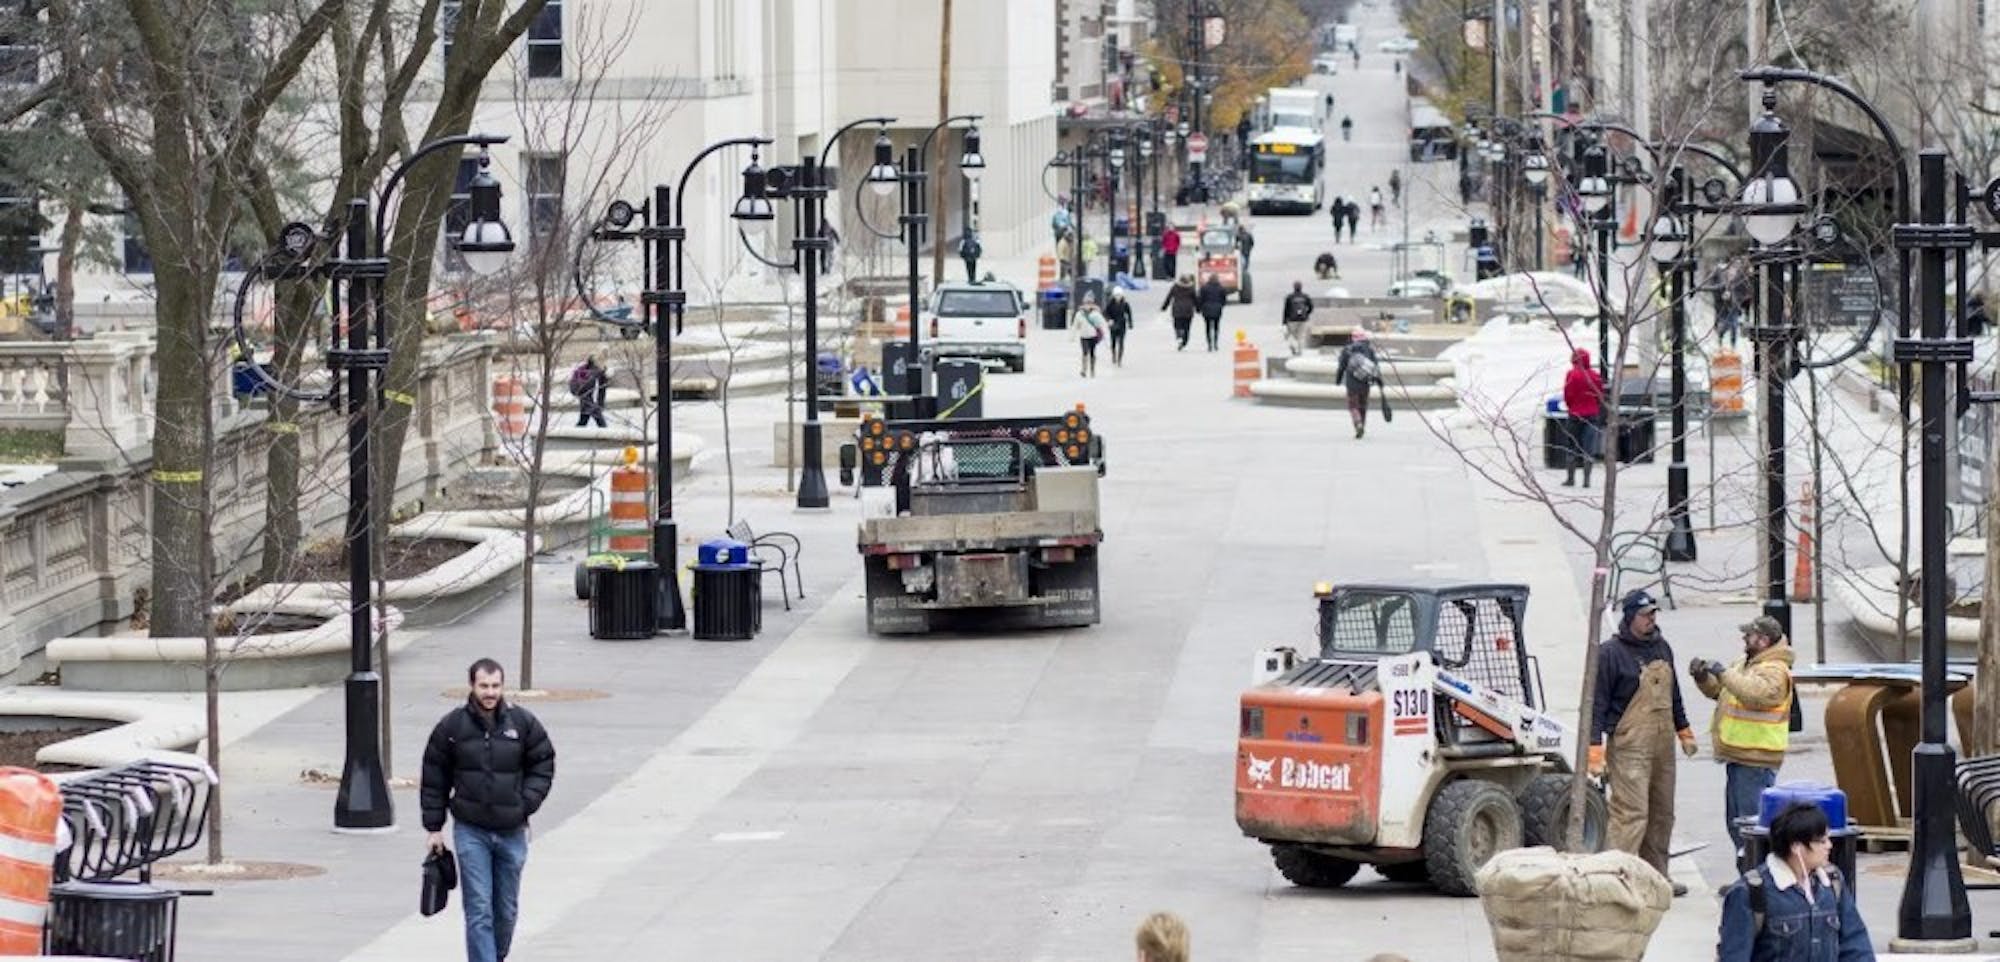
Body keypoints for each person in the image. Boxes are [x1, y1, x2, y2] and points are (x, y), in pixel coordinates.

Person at [422, 658, 557, 962]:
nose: (490, 692)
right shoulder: (451, 727)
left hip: (512, 830)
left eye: (495, 686)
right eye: (484, 685)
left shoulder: (523, 724)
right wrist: (434, 827)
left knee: (505, 911)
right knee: (479, 909)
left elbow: (543, 763)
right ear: (472, 685)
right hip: (472, 831)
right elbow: (434, 777)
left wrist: (526, 802)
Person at [1590, 590, 1696, 896]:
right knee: (1631, 813)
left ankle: (1656, 878)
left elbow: (1674, 695)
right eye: (1646, 615)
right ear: (1630, 617)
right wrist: (1594, 747)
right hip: (1629, 746)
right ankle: (1616, 879)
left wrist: (1684, 729)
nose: (1652, 619)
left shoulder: (1662, 647)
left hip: (1662, 746)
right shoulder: (1611, 654)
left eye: (1654, 614)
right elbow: (1596, 703)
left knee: (1662, 813)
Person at [1691, 615, 1796, 854]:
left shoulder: (1775, 670)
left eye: (1749, 635)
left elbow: (1756, 694)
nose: (1744, 638)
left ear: (1763, 640)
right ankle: (1747, 877)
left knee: (1752, 824)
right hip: (1739, 755)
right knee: (1737, 823)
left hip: (1757, 758)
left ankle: (1756, 880)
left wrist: (1724, 673)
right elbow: (1721, 692)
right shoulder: (1746, 663)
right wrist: (1703, 678)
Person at [1716, 801, 1872, 961]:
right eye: (1822, 841)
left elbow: (1856, 943)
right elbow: (1734, 955)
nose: (1829, 846)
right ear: (1797, 847)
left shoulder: (1832, 882)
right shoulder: (1750, 893)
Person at [1562, 348, 1604, 487]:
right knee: (1588, 448)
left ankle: (1571, 478)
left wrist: (1571, 407)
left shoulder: (1571, 375)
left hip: (1575, 414)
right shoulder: (1595, 376)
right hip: (1592, 415)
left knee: (1572, 446)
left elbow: (1567, 395)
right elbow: (1600, 396)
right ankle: (1586, 480)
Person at [1334, 328, 1381, 437]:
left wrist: (1338, 380)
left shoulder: (1347, 349)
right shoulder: (1369, 349)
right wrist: (1378, 380)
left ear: (1352, 337)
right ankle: (1362, 426)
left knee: (1353, 406)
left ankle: (1358, 423)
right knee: (1363, 405)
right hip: (1366, 382)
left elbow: (1341, 367)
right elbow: (1375, 366)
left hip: (1352, 384)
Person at [1162, 274, 1199, 350]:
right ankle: (1184, 342)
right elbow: (1196, 300)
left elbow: (1169, 297)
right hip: (1188, 310)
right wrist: (1198, 309)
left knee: (1177, 324)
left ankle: (1179, 334)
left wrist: (1164, 307)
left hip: (1177, 309)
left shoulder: (1175, 287)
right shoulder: (1191, 288)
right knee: (1187, 327)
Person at [1073, 295, 1107, 377]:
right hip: (1083, 336)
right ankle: (1084, 369)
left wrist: (1104, 332)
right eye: (1086, 303)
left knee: (1092, 353)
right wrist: (1072, 335)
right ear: (1083, 304)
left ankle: (1092, 369)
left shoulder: (1096, 314)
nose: (1087, 305)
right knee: (1084, 352)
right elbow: (1075, 325)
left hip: (1093, 336)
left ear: (1092, 304)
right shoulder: (1079, 314)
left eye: (1089, 303)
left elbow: (1102, 323)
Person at [569, 355, 608, 428]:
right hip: (588, 399)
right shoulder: (593, 373)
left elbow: (601, 390)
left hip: (587, 399)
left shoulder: (588, 371)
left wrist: (600, 404)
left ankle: (577, 433)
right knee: (599, 421)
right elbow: (599, 389)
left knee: (584, 419)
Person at [1282, 281, 1315, 356]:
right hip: (1303, 320)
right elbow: (1311, 307)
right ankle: (1300, 352)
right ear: (1301, 287)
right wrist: (1307, 314)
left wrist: (1284, 322)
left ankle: (1293, 346)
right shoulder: (1305, 296)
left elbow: (1286, 310)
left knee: (1290, 336)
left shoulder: (1289, 297)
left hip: (1292, 320)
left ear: (1293, 287)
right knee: (1301, 336)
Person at [1197, 273, 1228, 351]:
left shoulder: (1204, 288)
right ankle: (1216, 343)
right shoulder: (1221, 288)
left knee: (1207, 327)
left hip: (1206, 309)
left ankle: (1209, 344)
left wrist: (1199, 308)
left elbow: (1200, 299)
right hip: (1217, 309)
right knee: (1216, 326)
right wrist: (1221, 305)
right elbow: (1224, 300)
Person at [1104, 287, 1134, 367]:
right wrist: (1109, 320)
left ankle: (1119, 359)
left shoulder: (1125, 304)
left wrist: (1130, 323)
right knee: (1113, 342)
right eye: (1116, 295)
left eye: (1119, 295)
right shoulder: (1110, 304)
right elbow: (1106, 313)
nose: (1118, 297)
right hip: (1113, 325)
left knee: (1121, 342)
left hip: (1122, 325)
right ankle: (1113, 355)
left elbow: (1129, 314)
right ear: (1113, 295)